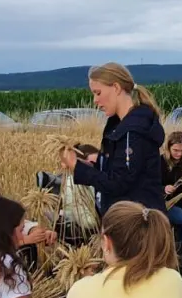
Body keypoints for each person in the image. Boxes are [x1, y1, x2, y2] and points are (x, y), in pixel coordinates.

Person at [61, 62, 167, 213]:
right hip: (126, 221)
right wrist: (86, 164)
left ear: (116, 88)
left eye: (98, 93)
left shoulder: (134, 131)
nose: (95, 101)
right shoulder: (119, 125)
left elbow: (118, 183)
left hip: (137, 225)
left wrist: (76, 166)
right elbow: (118, 171)